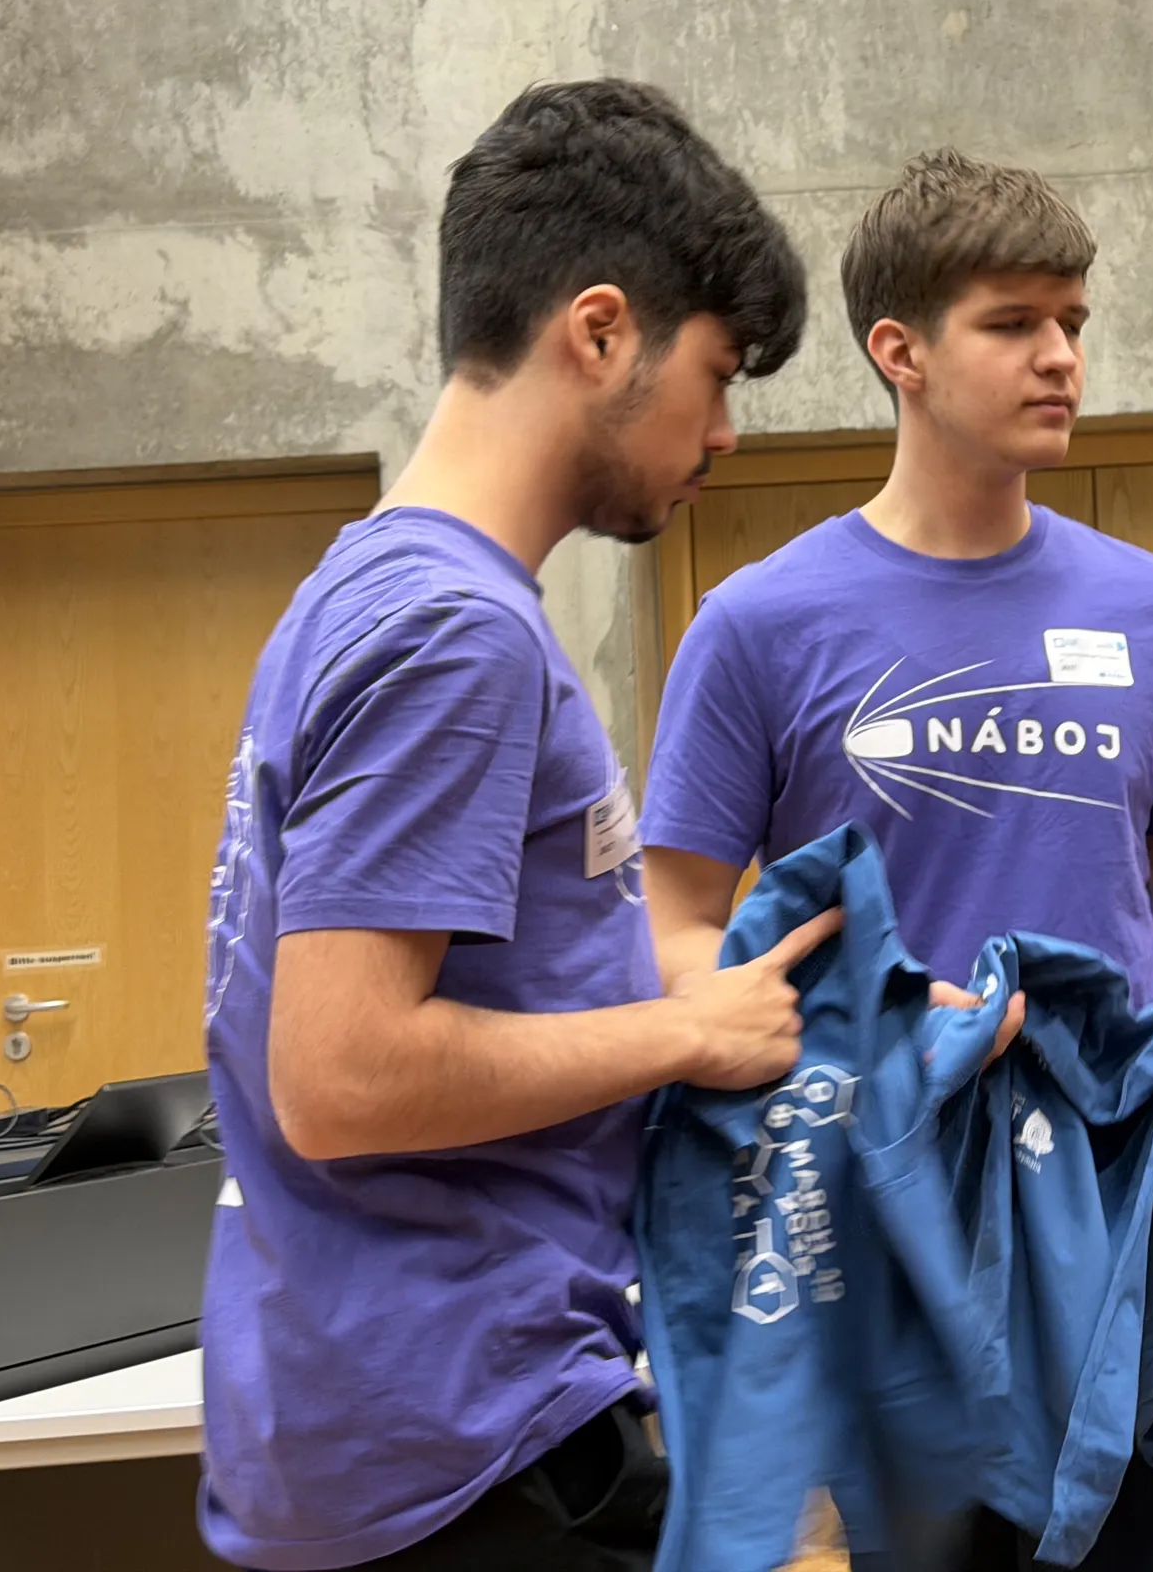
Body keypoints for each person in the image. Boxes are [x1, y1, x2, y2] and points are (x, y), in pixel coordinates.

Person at [197, 80, 828, 1570]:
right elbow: (342, 1075)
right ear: (599, 332)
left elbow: (492, 990)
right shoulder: (454, 634)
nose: (726, 432)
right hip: (459, 1444)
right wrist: (685, 1038)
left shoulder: (372, 591)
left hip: (417, 1412)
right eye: (717, 375)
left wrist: (770, 1007)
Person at [639, 148, 1153, 1571]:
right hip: (900, 1218)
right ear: (900, 351)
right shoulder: (759, 625)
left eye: (1074, 322)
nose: (1061, 357)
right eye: (1013, 323)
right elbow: (677, 929)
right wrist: (843, 1033)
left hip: (1129, 1203)